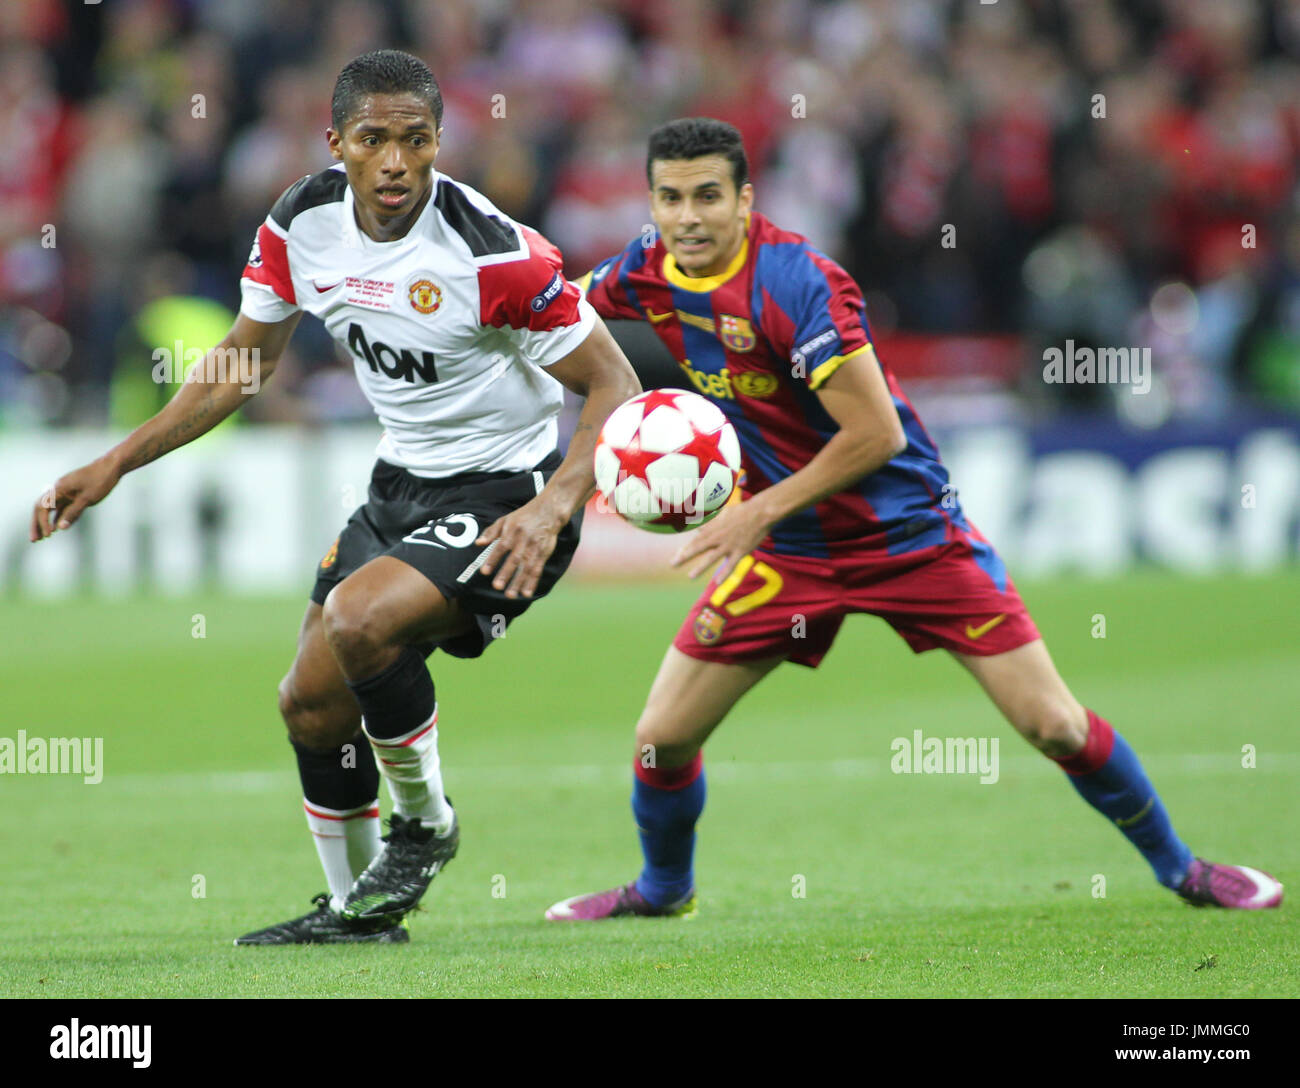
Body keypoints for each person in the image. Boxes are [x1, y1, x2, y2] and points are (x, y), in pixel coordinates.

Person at [545, 117, 1281, 921]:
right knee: (662, 741)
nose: (687, 217)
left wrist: (757, 512)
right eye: (670, 198)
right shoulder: (645, 272)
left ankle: (1182, 869)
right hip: (793, 550)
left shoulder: (798, 284)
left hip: (907, 536)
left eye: (708, 197)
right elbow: (556, 311)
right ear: (650, 201)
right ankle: (663, 890)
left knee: (1055, 724)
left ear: (746, 199)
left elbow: (876, 434)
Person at [30, 50, 641, 944]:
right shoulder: (301, 223)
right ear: (337, 143)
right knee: (310, 702)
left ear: (439, 142)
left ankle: (424, 823)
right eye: (374, 140)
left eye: (416, 140)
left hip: (506, 494)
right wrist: (118, 461)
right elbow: (246, 364)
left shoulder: (496, 254)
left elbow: (615, 384)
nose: (396, 162)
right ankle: (360, 915)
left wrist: (554, 504)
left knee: (359, 620)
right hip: (400, 487)